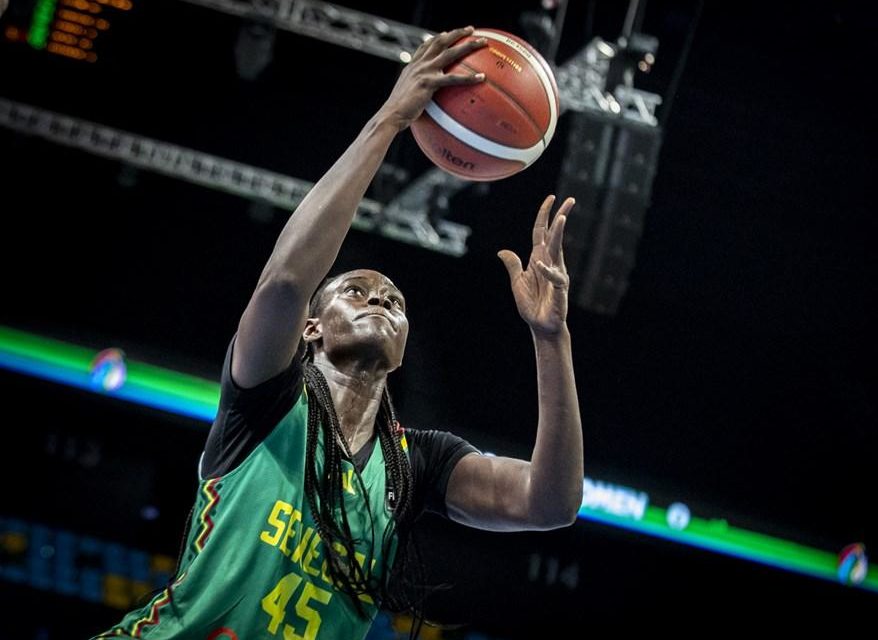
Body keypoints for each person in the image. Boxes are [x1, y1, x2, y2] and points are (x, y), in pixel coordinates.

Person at [90, 25, 583, 639]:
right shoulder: (267, 398)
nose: (379, 299)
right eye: (356, 291)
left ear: (402, 351)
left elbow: (551, 503)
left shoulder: (417, 465)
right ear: (312, 329)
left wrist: (550, 337)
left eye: (394, 301)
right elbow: (284, 283)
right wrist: (389, 120)